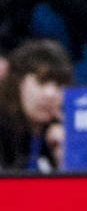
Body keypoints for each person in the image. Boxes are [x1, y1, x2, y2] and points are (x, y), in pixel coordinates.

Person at [0, 38, 71, 172]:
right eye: (41, 82)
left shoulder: (64, 135)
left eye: (59, 85)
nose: (50, 94)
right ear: (18, 83)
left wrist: (68, 159)